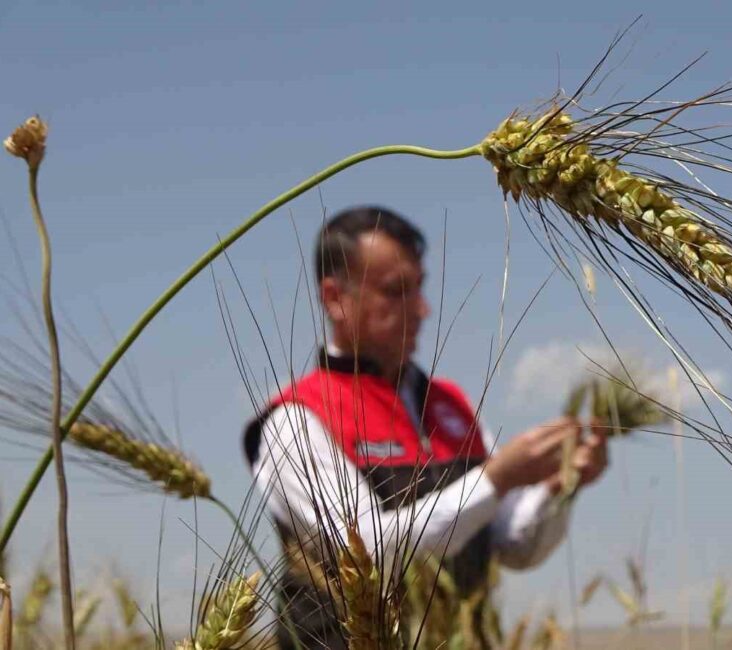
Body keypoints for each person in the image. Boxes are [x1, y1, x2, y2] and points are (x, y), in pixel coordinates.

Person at [243, 205, 608, 648]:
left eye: (419, 288)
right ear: (334, 298)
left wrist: (559, 485)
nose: (421, 309)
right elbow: (369, 555)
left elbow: (515, 545)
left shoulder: (451, 404)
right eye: (395, 291)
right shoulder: (296, 419)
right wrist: (498, 477)